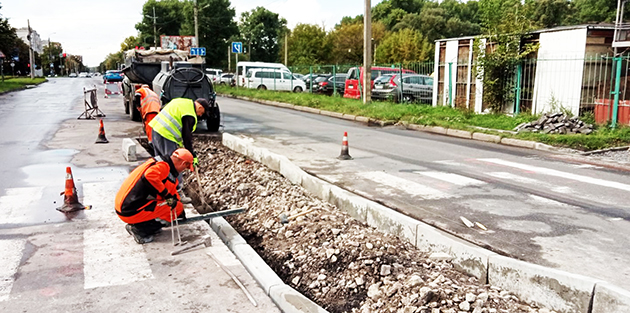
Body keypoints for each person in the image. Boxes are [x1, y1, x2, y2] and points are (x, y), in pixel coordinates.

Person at [115, 148, 194, 244]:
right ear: (183, 164)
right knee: (173, 210)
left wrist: (177, 205)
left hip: (126, 207)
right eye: (186, 167)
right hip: (129, 211)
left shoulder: (161, 164)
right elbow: (149, 176)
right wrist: (168, 197)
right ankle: (140, 230)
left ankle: (144, 224)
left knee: (176, 207)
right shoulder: (163, 167)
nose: (183, 170)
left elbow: (171, 191)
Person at [149, 97, 209, 201]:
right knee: (175, 165)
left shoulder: (182, 101)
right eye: (202, 112)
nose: (200, 115)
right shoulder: (190, 114)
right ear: (200, 106)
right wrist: (192, 155)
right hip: (166, 135)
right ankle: (176, 192)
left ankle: (159, 190)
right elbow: (187, 137)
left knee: (160, 163)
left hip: (156, 130)